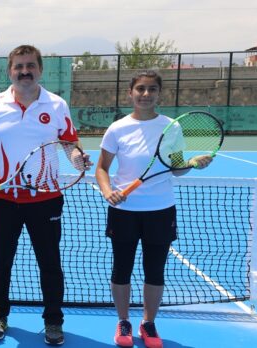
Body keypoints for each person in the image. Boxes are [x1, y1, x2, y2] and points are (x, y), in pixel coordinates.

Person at [0, 44, 90, 346]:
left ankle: (53, 322)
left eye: (30, 66)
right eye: (18, 67)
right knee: (1, 261)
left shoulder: (57, 105)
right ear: (9, 71)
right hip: (3, 200)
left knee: (49, 262)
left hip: (45, 198)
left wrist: (79, 160)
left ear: (39, 69)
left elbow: (69, 146)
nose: (24, 72)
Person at [95, 71, 212, 348]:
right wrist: (106, 190)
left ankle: (148, 323)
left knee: (155, 270)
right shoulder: (118, 128)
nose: (146, 94)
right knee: (121, 268)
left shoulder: (171, 126)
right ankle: (123, 321)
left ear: (160, 93)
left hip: (161, 209)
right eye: (140, 89)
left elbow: (176, 168)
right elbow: (101, 168)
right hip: (124, 210)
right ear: (130, 92)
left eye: (152, 89)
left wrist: (193, 162)